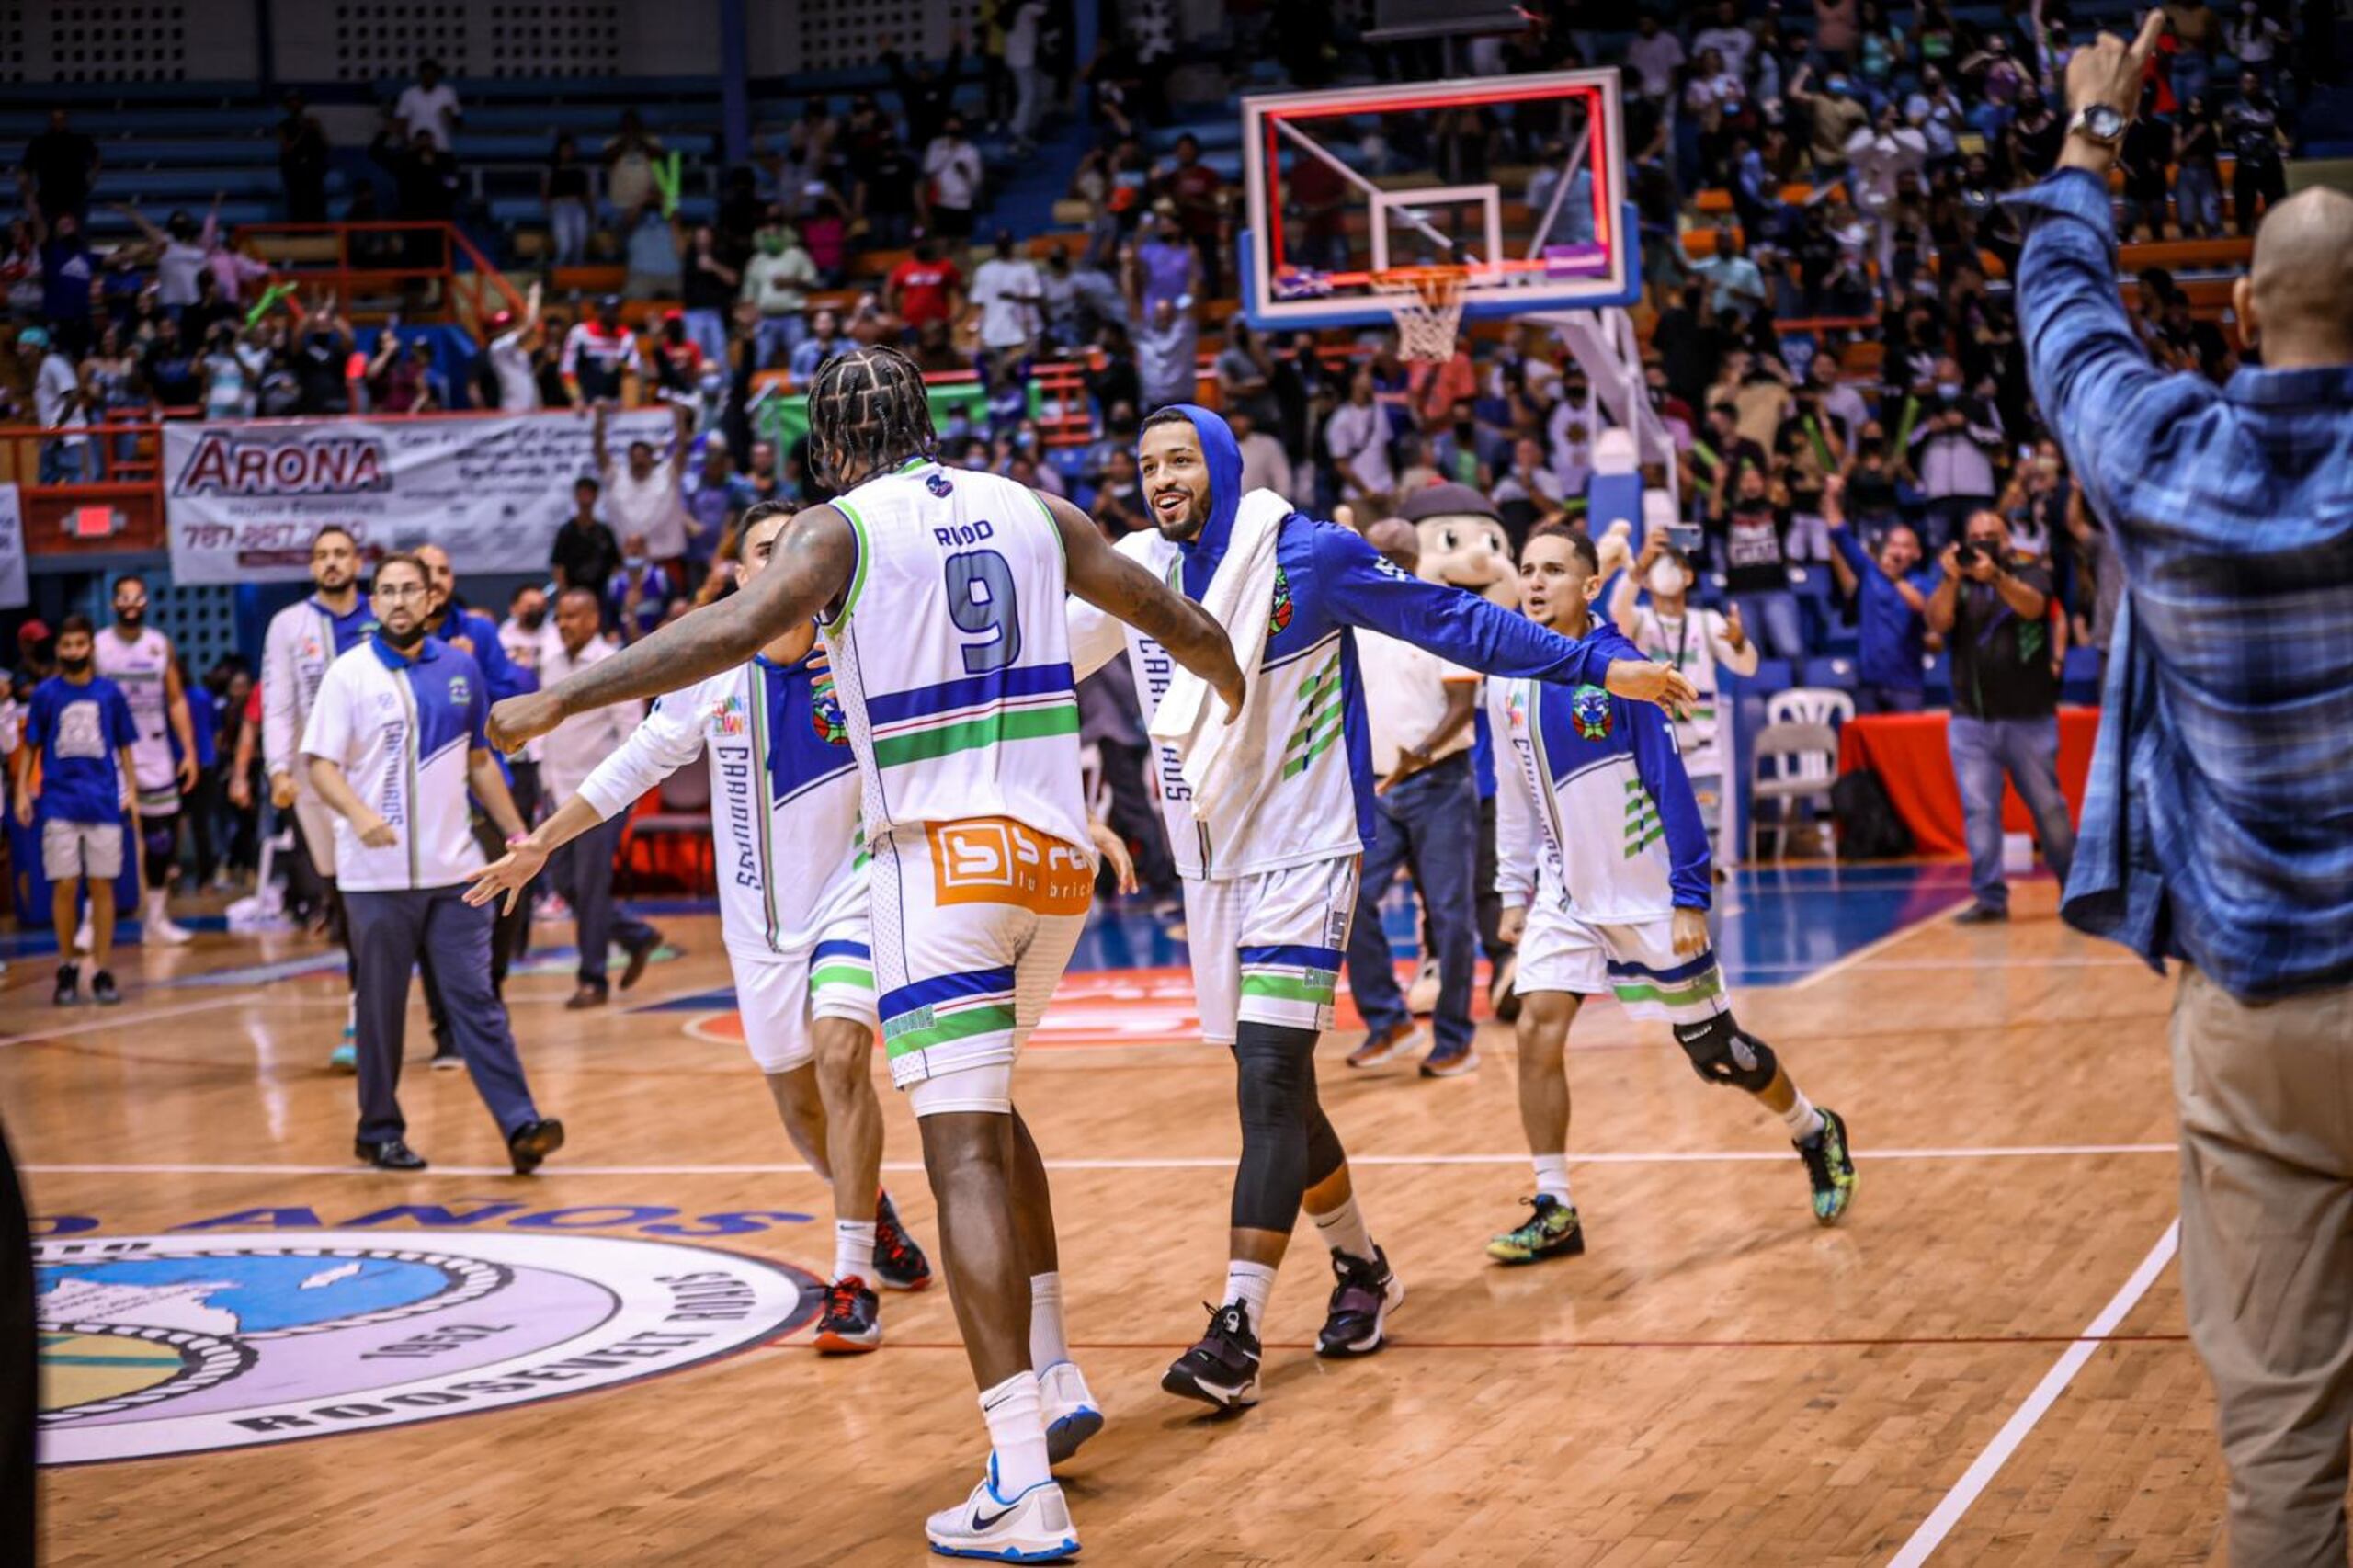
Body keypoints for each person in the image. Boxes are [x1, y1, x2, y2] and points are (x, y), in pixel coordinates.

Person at [485, 346, 1245, 1563]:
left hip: (938, 869)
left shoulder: (838, 531)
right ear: (929, 420)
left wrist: (561, 699)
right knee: (989, 1125)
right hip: (1055, 873)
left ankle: (1018, 1478)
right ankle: (1050, 1380)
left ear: (830, 446)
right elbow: (1171, 619)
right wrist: (1224, 698)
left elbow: (728, 625)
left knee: (962, 1162)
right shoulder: (1033, 507)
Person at [1069, 408, 1696, 1419]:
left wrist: (1596, 662)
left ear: (1223, 465)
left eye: (1179, 459)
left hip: (1310, 849)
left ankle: (1236, 1326)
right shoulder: (1138, 569)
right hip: (1215, 861)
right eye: (1146, 466)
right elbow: (1033, 659)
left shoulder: (1306, 554)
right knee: (1276, 1090)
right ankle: (1361, 1265)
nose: (1160, 478)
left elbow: (1461, 622)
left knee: (1268, 1080)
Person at [2015, 23, 2353, 1560]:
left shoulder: (2163, 457)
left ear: (2234, 310)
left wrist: (2096, 130)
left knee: (2280, 1445)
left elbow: (2062, 309)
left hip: (2257, 1020)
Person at [468, 509, 938, 1354]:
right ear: (741, 578)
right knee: (800, 1111)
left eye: (801, 546)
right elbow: (636, 763)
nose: (787, 560)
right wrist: (540, 843)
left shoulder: (863, 649)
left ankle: (851, 1278)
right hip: (756, 921)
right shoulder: (712, 671)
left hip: (854, 890)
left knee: (841, 1055)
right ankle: (872, 1210)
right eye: (766, 549)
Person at [1489, 526, 1857, 1267]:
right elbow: (1515, 794)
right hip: (1567, 893)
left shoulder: (1626, 671)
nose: (1534, 583)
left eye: (1554, 570)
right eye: (1527, 569)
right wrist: (1511, 888)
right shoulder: (1507, 677)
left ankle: (1812, 1127)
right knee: (1535, 1028)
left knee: (1718, 1055)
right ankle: (1555, 1205)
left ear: (1591, 588)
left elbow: (1671, 785)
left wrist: (1691, 896)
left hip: (1649, 892)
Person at [301, 552, 561, 1175]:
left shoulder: (461, 668)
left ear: (429, 599)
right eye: (385, 591)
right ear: (373, 601)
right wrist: (360, 816)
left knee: (477, 1000)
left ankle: (522, 1125)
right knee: (380, 1009)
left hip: (455, 874)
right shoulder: (348, 674)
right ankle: (378, 1130)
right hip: (375, 879)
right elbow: (319, 765)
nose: (397, 601)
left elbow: (478, 763)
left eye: (408, 590)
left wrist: (517, 833)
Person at [1341, 518, 1484, 1077]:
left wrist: (1417, 757)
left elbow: (1461, 709)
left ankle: (1455, 1038)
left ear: (1408, 556)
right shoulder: (1357, 619)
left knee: (1450, 917)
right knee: (1351, 902)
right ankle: (1390, 1023)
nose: (1381, 562)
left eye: (1389, 553)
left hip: (1440, 783)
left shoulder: (1440, 609)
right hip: (1378, 787)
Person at [488, 587, 664, 1009]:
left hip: (602, 797)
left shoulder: (615, 664)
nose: (562, 624)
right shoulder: (550, 663)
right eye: (560, 617)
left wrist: (626, 794)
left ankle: (593, 979)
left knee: (589, 886)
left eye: (571, 616)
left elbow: (633, 734)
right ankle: (636, 935)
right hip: (558, 793)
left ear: (593, 618)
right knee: (566, 883)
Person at [259, 526, 377, 1067]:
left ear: (357, 561)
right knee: (343, 897)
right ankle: (362, 1011)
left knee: (379, 894)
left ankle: (369, 1014)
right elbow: (279, 703)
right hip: (313, 782)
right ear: (311, 566)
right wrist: (277, 769)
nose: (331, 563)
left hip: (378, 777)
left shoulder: (381, 614)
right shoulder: (289, 624)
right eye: (322, 556)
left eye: (340, 554)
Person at [1926, 509, 2074, 924]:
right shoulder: (1957, 579)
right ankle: (1990, 897)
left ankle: (2077, 892)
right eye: (1976, 536)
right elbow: (1937, 623)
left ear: (2007, 539)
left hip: (2029, 717)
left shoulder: (2030, 570)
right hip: (1971, 718)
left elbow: (2034, 608)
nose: (1985, 542)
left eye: (1992, 535)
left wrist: (1996, 577)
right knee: (1979, 810)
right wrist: (1951, 578)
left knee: (2049, 809)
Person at [1608, 534, 1758, 867]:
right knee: (1653, 856)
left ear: (1689, 576)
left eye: (1674, 565)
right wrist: (1638, 567)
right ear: (1646, 579)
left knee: (1707, 852)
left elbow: (1747, 666)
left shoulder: (1708, 622)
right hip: (1652, 753)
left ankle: (1709, 918)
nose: (1666, 572)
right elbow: (1617, 610)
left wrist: (1739, 642)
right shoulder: (1641, 622)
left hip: (1704, 754)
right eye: (1657, 567)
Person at [12, 615, 136, 1006]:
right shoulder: (47, 694)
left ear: (91, 648)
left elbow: (124, 744)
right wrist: (21, 793)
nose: (73, 652)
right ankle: (66, 964)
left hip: (101, 800)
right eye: (66, 646)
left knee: (102, 885)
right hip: (58, 801)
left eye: (80, 644)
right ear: (60, 649)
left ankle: (100, 968)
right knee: (65, 884)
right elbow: (31, 745)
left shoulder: (109, 693)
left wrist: (131, 788)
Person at [92, 574, 199, 946]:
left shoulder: (158, 645)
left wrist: (189, 750)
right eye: (124, 598)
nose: (131, 604)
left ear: (147, 604)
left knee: (160, 841)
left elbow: (175, 700)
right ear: (113, 604)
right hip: (108, 754)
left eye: (138, 598)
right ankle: (92, 919)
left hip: (155, 753)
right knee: (99, 837)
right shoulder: (98, 646)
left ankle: (156, 920)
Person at [1822, 475, 1933, 712]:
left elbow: (1922, 606)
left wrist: (1894, 578)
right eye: (1893, 544)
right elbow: (1839, 532)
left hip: (1907, 687)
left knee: (1906, 749)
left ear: (1917, 553)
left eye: (1905, 546)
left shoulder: (1923, 583)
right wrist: (1831, 495)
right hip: (1868, 685)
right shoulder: (1870, 572)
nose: (1898, 551)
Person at [595, 402, 696, 575]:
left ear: (651, 458)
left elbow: (682, 449)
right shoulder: (616, 477)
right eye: (634, 457)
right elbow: (599, 450)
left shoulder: (667, 474)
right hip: (626, 563)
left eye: (643, 456)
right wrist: (599, 419)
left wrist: (679, 420)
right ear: (628, 459)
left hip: (666, 560)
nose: (639, 461)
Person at [560, 295, 641, 408]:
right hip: (586, 403)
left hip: (616, 405)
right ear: (598, 311)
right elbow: (567, 370)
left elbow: (633, 369)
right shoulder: (580, 333)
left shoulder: (627, 337)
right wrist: (576, 398)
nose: (613, 315)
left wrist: (620, 363)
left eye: (616, 310)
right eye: (608, 311)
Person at [551, 476, 624, 598]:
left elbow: (616, 564)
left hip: (601, 593)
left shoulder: (605, 531)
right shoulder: (566, 532)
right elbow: (558, 566)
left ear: (596, 496)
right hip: (573, 592)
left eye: (589, 493)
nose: (585, 497)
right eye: (582, 493)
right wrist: (563, 594)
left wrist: (613, 591)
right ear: (576, 496)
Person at [483, 281, 543, 412]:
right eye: (505, 326)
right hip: (514, 409)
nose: (509, 328)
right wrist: (534, 296)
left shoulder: (519, 353)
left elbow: (528, 377)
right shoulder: (498, 347)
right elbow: (531, 324)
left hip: (532, 406)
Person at [392, 58, 461, 151]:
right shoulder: (408, 94)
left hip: (441, 146)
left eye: (432, 75)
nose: (428, 78)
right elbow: (400, 121)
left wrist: (450, 115)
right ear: (420, 75)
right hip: (415, 146)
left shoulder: (448, 93)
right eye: (425, 75)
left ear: (437, 75)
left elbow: (458, 123)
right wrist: (407, 142)